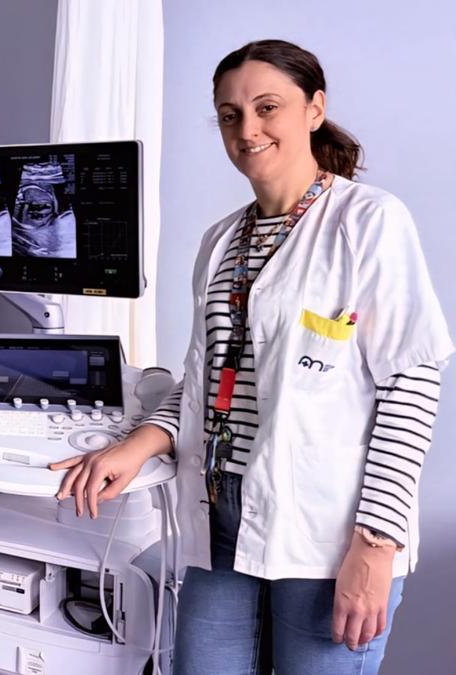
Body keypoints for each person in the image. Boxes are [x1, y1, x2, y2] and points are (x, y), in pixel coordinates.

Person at [50, 40, 452, 674]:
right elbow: (205, 380)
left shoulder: (368, 221)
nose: (248, 130)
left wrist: (375, 543)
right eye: (230, 115)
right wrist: (141, 441)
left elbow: (412, 382)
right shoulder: (220, 241)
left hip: (327, 526)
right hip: (222, 516)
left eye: (269, 107)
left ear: (314, 110)